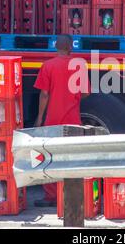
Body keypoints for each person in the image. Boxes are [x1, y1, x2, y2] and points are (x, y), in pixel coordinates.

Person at [33, 34, 90, 207]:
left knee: (50, 157)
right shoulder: (79, 65)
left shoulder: (48, 66)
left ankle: (51, 197)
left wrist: (39, 118)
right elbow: (86, 92)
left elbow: (44, 94)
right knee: (71, 157)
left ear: (56, 46)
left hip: (53, 121)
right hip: (73, 119)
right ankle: (70, 194)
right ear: (70, 47)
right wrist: (73, 98)